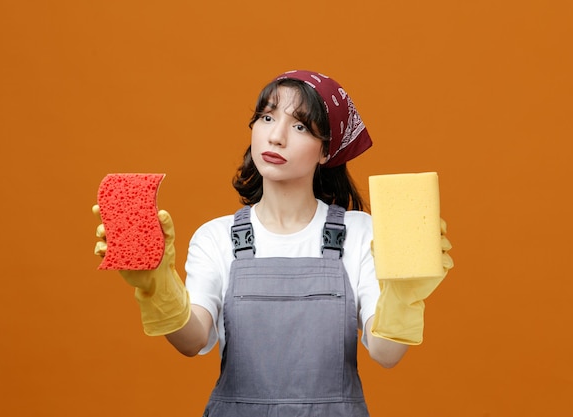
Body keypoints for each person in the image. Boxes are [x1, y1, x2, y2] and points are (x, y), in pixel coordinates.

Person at [93, 70, 453, 417]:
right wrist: (157, 287)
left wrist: (405, 294)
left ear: (327, 150)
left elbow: (386, 354)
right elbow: (192, 340)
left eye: (299, 126)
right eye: (266, 118)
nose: (276, 136)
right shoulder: (216, 237)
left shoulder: (361, 234)